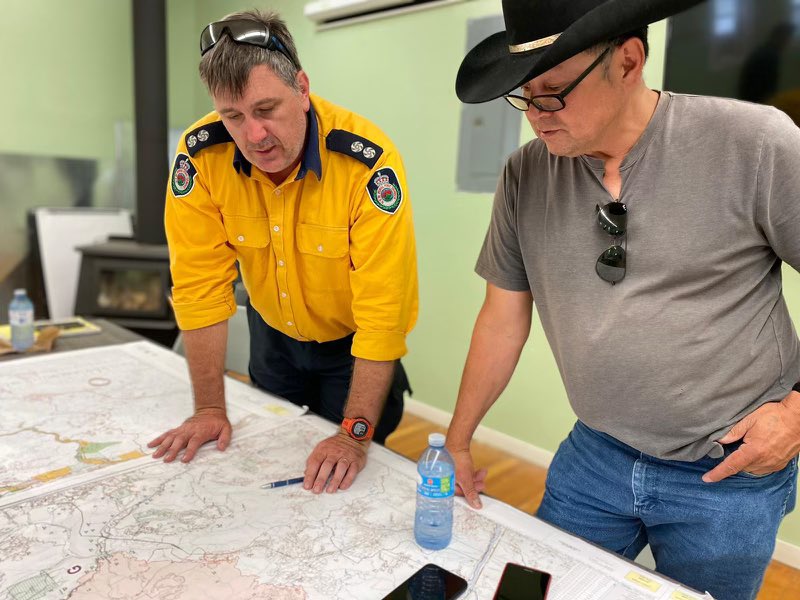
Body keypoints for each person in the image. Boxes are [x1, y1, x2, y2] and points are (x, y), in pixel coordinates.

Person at [448, 1, 800, 598]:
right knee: (545, 589)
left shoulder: (755, 143)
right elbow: (502, 318)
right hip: (595, 453)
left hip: (727, 472)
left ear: (629, 61)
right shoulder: (523, 176)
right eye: (523, 94)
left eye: (554, 92)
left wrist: (796, 414)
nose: (535, 115)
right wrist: (458, 437)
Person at [148, 10, 418, 495]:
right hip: (271, 337)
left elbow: (383, 313)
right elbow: (199, 287)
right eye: (233, 116)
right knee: (274, 464)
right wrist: (210, 408)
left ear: (302, 87)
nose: (254, 136)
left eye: (267, 108)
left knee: (350, 482)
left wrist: (353, 437)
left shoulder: (366, 162)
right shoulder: (199, 156)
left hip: (351, 352)